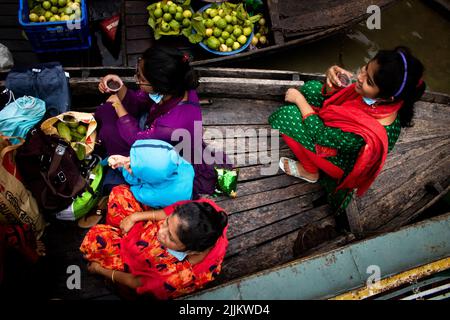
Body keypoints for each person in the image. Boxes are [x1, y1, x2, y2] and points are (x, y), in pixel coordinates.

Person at [269, 47, 425, 251]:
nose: (359, 78)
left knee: (286, 116)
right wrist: (331, 82)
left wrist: (300, 102)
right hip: (335, 131)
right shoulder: (377, 99)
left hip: (339, 162)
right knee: (312, 89)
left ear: (387, 98)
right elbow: (337, 99)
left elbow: (321, 135)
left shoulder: (368, 133)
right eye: (365, 69)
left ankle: (311, 170)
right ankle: (307, 114)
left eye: (368, 81)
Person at [95, 45, 229, 197]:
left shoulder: (170, 125)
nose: (138, 81)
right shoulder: (176, 87)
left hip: (169, 150)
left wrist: (119, 106)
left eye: (141, 78)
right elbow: (140, 99)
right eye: (138, 73)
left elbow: (136, 140)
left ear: (159, 85)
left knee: (110, 129)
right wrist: (118, 86)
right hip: (160, 131)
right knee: (108, 113)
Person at [80, 185, 228, 299]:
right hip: (143, 236)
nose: (160, 232)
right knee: (120, 193)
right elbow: (169, 212)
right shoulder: (208, 215)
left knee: (95, 240)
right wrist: (135, 217)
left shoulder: (172, 277)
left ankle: (115, 238)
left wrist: (99, 270)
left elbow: (134, 281)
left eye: (170, 237)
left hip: (145, 263)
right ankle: (118, 231)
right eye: (167, 223)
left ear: (192, 251)